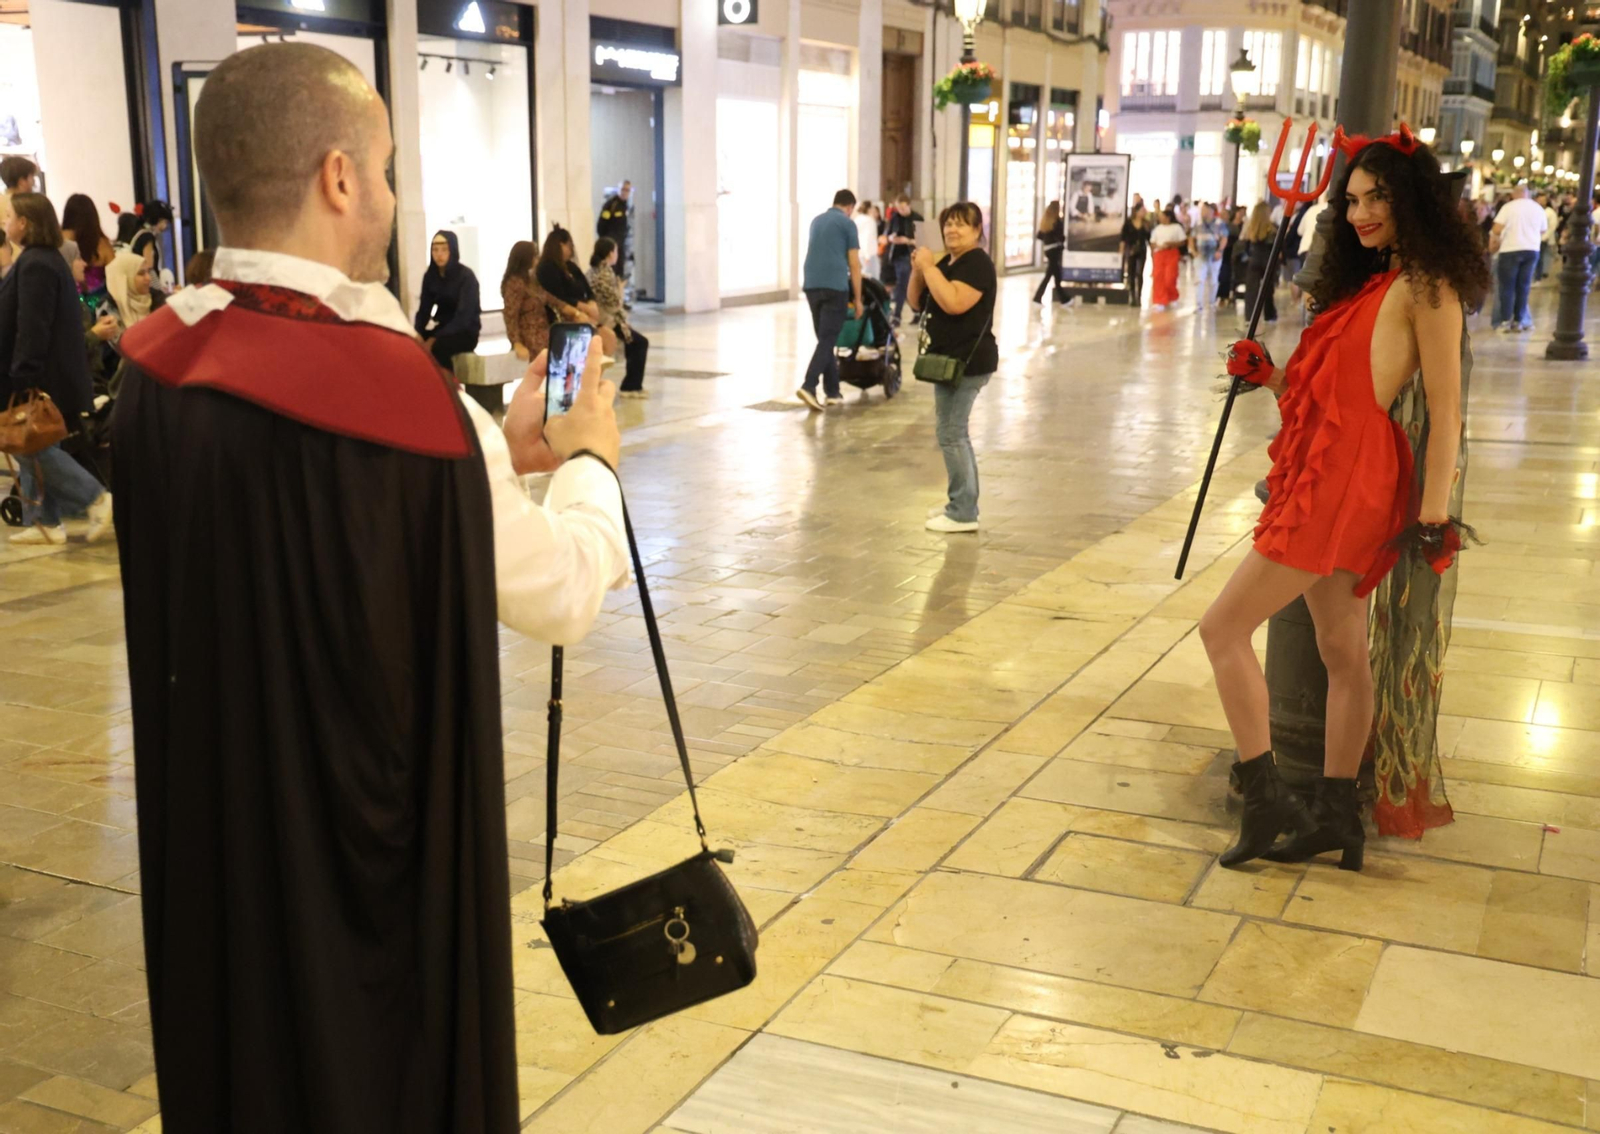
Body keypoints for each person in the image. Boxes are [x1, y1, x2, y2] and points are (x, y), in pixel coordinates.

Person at [109, 42, 630, 1132]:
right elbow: (566, 594)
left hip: (225, 861)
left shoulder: (153, 369)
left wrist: (494, 461)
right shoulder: (413, 412)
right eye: (388, 167)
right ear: (339, 177)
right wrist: (586, 462)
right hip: (372, 888)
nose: (394, 194)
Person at [1204, 128, 1489, 871]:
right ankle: (1335, 816)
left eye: (1378, 198)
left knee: (1221, 630)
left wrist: (1433, 518)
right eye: (1353, 200)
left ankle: (1266, 803)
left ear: (1411, 200)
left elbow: (1448, 410)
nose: (1361, 213)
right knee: (1341, 650)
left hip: (1345, 483)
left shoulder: (1428, 286)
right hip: (1328, 471)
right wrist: (1269, 375)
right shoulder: (1372, 283)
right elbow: (1325, 393)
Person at [0, 193, 114, 546]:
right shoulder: (40, 259)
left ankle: (95, 497)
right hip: (46, 371)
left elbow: (34, 324)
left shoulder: (36, 263)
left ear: (25, 224)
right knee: (35, 441)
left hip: (40, 374)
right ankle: (46, 520)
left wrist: (24, 373)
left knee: (34, 444)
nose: (5, 223)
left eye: (9, 216)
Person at [906, 202, 997, 535]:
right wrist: (920, 269)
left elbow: (954, 302)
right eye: (948, 224)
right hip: (948, 361)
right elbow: (916, 302)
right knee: (955, 433)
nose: (952, 230)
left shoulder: (977, 264)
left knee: (951, 433)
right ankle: (963, 504)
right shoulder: (948, 261)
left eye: (961, 225)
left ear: (977, 231)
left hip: (968, 363)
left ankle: (961, 511)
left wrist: (930, 268)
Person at [796, 188, 863, 412]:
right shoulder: (847, 224)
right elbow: (854, 263)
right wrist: (859, 299)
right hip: (835, 286)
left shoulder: (816, 221)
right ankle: (809, 384)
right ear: (850, 207)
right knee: (828, 339)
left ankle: (833, 391)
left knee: (826, 339)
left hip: (811, 284)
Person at [535, 225, 615, 357]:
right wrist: (583, 308)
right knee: (602, 340)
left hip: (583, 313)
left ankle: (594, 374)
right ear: (561, 245)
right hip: (566, 315)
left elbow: (587, 289)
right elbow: (558, 297)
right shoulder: (547, 268)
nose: (571, 249)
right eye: (569, 245)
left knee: (609, 337)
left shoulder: (571, 266)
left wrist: (592, 303)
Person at [589, 237, 648, 399]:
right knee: (640, 343)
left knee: (635, 344)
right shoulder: (603, 274)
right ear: (610, 253)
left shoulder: (598, 271)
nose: (617, 254)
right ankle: (631, 386)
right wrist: (620, 289)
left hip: (610, 318)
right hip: (608, 320)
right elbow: (614, 302)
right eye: (615, 251)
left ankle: (631, 384)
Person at [414, 230, 482, 368]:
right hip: (442, 328)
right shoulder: (430, 276)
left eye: (444, 250)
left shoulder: (466, 277)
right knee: (413, 347)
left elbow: (464, 317)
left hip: (465, 331)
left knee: (439, 348)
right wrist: (417, 333)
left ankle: (448, 387)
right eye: (435, 250)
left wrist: (434, 338)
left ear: (453, 250)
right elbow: (424, 309)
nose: (439, 254)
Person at [1488, 184, 1545, 333]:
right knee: (1523, 287)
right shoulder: (1538, 208)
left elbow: (1497, 229)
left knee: (1507, 287)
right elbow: (1543, 230)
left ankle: (1506, 320)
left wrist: (1495, 241)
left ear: (1514, 194)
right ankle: (1519, 321)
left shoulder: (1509, 207)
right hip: (1532, 250)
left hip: (1510, 249)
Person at [500, 239, 549, 363]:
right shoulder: (514, 283)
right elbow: (510, 315)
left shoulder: (531, 280)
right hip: (529, 337)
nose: (537, 259)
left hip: (543, 333)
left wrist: (571, 310)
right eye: (534, 256)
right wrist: (517, 343)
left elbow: (548, 297)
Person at [60, 194, 115, 297]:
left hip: (67, 299)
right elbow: (115, 274)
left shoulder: (60, 240)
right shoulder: (102, 244)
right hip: (98, 302)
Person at [1238, 202, 1279, 323]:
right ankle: (1269, 315)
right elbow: (1278, 248)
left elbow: (1243, 244)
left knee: (1251, 290)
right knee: (1267, 289)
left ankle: (1249, 317)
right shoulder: (1273, 228)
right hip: (1268, 261)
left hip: (1254, 260)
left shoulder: (1250, 227)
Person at [881, 193, 920, 324]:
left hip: (911, 254)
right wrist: (892, 238)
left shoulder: (917, 218)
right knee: (903, 283)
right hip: (896, 255)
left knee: (904, 284)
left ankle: (900, 314)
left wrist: (907, 241)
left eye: (903, 208)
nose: (901, 211)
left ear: (909, 205)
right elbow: (887, 234)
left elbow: (922, 240)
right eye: (898, 208)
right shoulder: (895, 217)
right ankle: (909, 313)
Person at [0, 155, 37, 278]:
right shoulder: (27, 206)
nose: (33, 182)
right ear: (22, 181)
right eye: (32, 177)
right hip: (22, 266)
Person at [125, 200, 174, 290]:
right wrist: (159, 290)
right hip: (147, 286)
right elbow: (149, 266)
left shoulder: (139, 233)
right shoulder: (147, 236)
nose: (166, 226)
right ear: (158, 220)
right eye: (165, 222)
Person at [104, 248, 157, 332]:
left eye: (148, 272)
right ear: (124, 279)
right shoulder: (108, 310)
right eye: (141, 273)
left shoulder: (158, 300)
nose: (149, 278)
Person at [1189, 202, 1229, 311]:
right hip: (1200, 256)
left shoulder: (1219, 223)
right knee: (1199, 280)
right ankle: (1199, 305)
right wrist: (1194, 251)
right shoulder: (1198, 224)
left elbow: (1224, 238)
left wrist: (1219, 251)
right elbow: (1192, 238)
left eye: (1205, 210)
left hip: (1214, 256)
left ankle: (1211, 302)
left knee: (1213, 280)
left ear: (1211, 211)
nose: (1203, 212)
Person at [596, 180, 632, 287]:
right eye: (623, 189)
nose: (625, 192)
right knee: (611, 271)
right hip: (611, 245)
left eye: (627, 190)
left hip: (620, 244)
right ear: (618, 190)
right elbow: (601, 225)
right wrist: (607, 241)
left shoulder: (625, 206)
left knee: (619, 273)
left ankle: (619, 299)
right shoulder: (611, 205)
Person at [1148, 208, 1186, 310]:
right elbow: (1152, 242)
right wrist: (1157, 247)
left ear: (1168, 218)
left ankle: (1172, 296)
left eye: (1162, 217)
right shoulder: (1157, 229)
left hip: (1172, 253)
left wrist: (1171, 244)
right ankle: (1160, 300)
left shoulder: (1176, 227)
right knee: (1159, 277)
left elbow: (1182, 241)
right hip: (1159, 254)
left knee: (1170, 277)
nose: (1160, 219)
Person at [1120, 202, 1150, 307]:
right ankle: (1132, 295)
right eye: (1142, 210)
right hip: (1131, 250)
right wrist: (1122, 250)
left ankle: (1139, 296)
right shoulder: (1128, 223)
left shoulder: (1146, 224)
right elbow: (1123, 238)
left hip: (1141, 250)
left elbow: (1149, 238)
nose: (1143, 213)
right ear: (1136, 212)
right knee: (1131, 273)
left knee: (1139, 273)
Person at [1034, 200, 1064, 305]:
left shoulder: (1045, 220)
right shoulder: (1058, 222)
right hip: (1055, 251)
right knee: (1051, 275)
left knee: (1054, 274)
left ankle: (1064, 299)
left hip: (1048, 250)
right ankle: (1064, 299)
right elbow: (1062, 237)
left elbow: (1039, 236)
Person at [853, 200, 881, 281]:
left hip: (859, 253)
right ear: (869, 209)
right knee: (874, 279)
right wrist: (867, 255)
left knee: (862, 277)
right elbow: (867, 238)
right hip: (869, 254)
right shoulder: (869, 220)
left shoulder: (857, 219)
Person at [1537, 191, 1558, 281]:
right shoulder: (1535, 210)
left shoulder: (1550, 212)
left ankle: (1539, 275)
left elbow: (1552, 226)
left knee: (1541, 257)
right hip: (1534, 238)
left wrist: (1545, 237)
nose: (1540, 202)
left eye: (1542, 200)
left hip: (1543, 239)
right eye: (1539, 200)